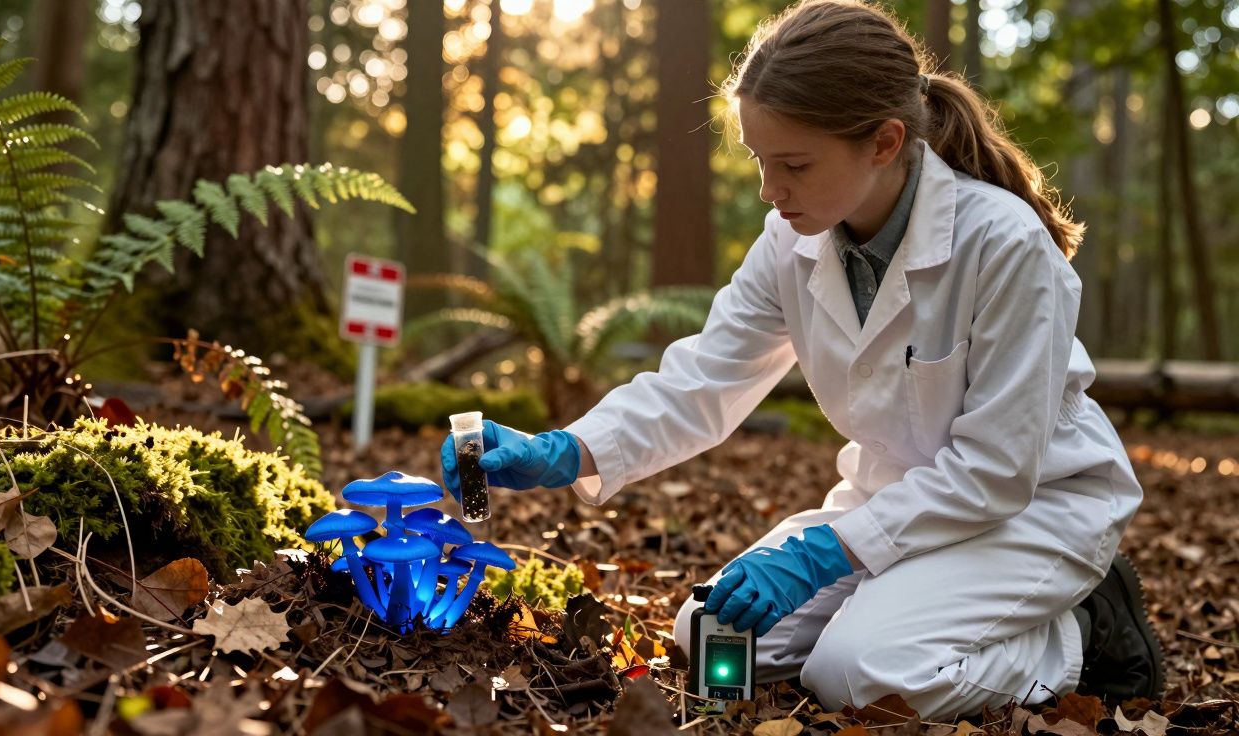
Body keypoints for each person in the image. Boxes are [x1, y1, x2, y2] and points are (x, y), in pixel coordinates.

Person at [440, 0, 1163, 719]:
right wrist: (568, 450)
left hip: (1030, 509)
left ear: (884, 142)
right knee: (711, 632)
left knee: (862, 676)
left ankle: (1082, 632)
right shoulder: (792, 239)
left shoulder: (1002, 245)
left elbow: (998, 467)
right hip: (895, 501)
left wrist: (826, 554)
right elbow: (706, 377)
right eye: (759, 159)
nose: (768, 189)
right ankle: (919, 609)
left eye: (793, 163)